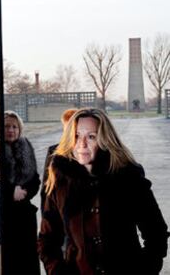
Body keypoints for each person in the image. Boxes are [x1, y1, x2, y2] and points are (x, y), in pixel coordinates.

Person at [38, 108, 169, 274]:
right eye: (76, 136)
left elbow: (156, 232)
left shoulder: (128, 176)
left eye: (91, 137)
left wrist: (146, 268)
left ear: (105, 140)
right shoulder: (60, 180)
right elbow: (47, 239)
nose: (82, 144)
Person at [0, 110, 41, 275]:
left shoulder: (27, 148)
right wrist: (11, 191)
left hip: (22, 217)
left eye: (14, 127)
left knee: (23, 264)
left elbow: (35, 179)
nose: (11, 130)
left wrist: (24, 191)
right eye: (6, 127)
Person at [42, 108, 77, 187]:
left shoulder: (86, 150)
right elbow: (46, 182)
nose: (70, 130)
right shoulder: (53, 150)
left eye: (73, 126)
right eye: (67, 126)